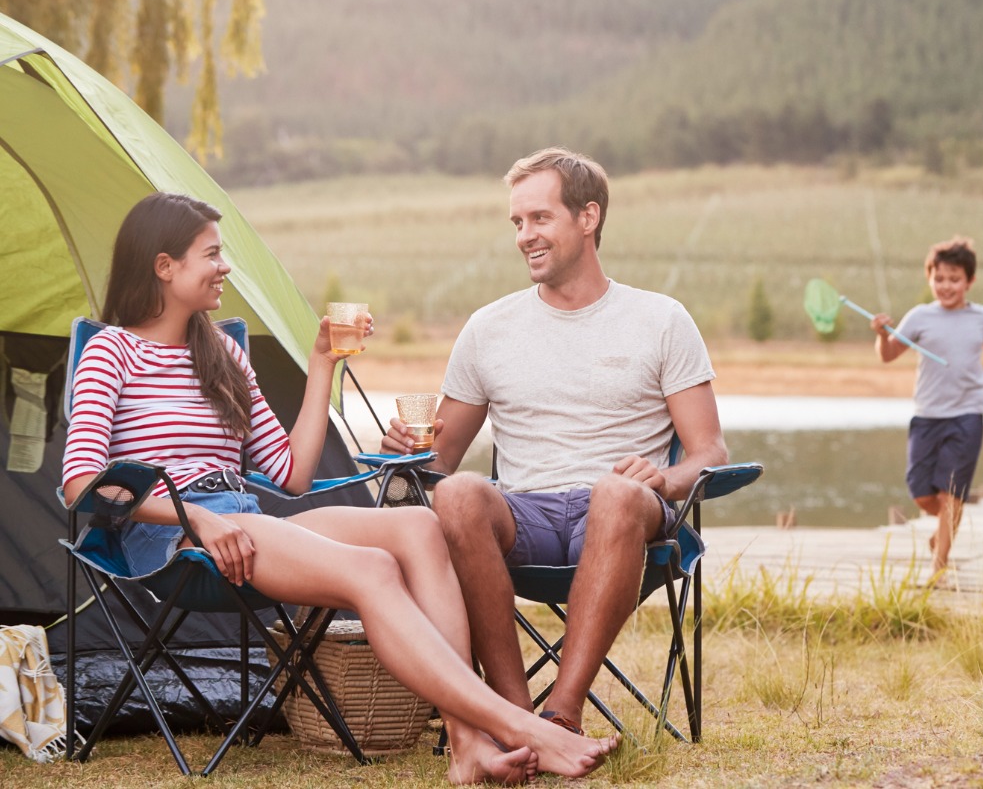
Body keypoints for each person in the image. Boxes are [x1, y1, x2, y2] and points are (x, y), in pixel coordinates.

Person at [61, 192, 615, 784]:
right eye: (211, 255)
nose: (224, 267)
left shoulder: (219, 352)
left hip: (244, 521)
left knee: (419, 526)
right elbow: (81, 487)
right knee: (373, 569)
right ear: (164, 266)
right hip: (175, 539)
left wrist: (321, 362)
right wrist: (196, 519)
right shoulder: (111, 351)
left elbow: (290, 474)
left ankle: (467, 745)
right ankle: (522, 727)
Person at [381, 147, 728, 738]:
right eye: (517, 222)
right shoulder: (488, 329)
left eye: (539, 218)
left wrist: (662, 480)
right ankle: (514, 716)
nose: (524, 236)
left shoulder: (661, 319)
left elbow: (710, 453)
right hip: (525, 514)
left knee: (614, 494)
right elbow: (439, 463)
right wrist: (403, 453)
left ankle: (562, 714)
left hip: (626, 516)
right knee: (461, 494)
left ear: (587, 218)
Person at [869, 236, 983, 582]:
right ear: (929, 278)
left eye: (955, 279)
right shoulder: (919, 316)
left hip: (968, 414)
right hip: (928, 414)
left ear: (969, 281)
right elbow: (888, 356)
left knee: (952, 492)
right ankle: (945, 527)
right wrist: (880, 335)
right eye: (939, 278)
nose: (946, 286)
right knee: (921, 491)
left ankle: (939, 563)